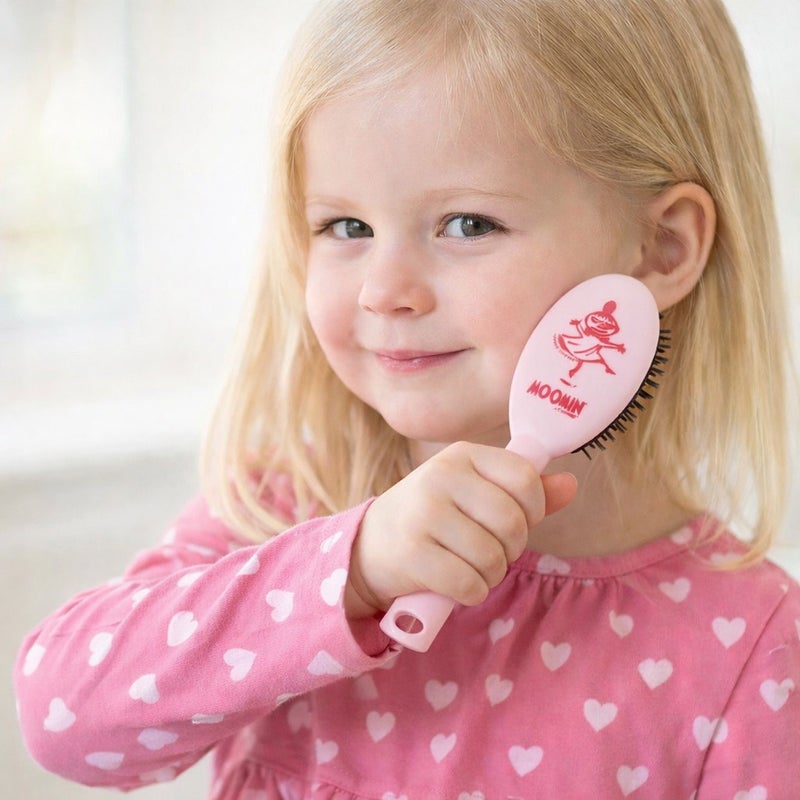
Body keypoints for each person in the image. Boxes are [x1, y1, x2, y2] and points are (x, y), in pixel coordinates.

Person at [15, 0, 800, 797]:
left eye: (466, 224)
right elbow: (62, 722)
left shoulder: (750, 648)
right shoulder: (293, 504)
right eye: (346, 227)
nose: (386, 291)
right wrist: (350, 572)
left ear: (660, 247)